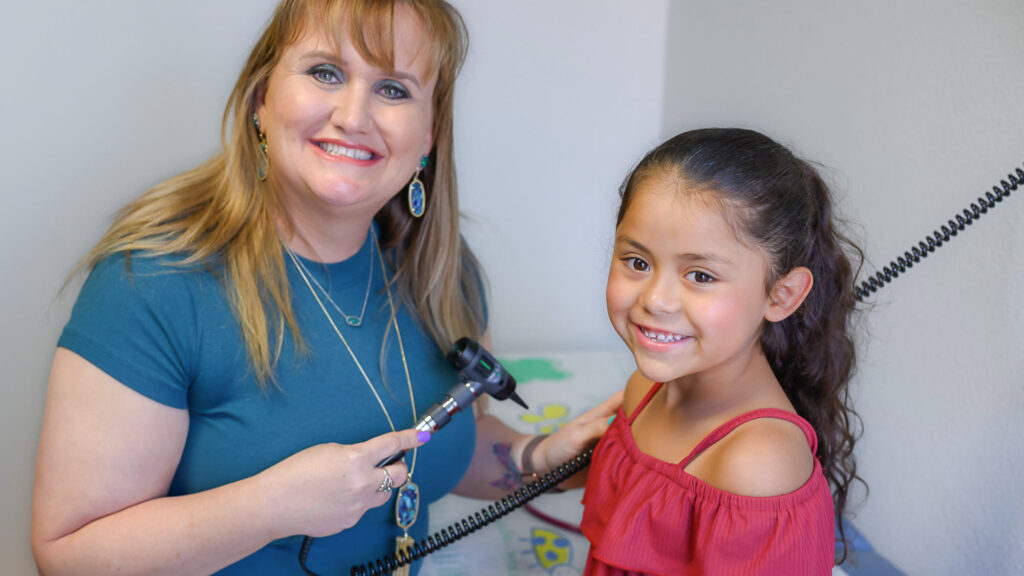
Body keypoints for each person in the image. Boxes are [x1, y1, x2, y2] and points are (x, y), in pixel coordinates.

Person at [31, 1, 619, 574]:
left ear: (429, 135)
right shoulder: (154, 279)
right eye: (325, 73)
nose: (354, 116)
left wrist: (537, 457)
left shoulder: (443, 272)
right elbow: (68, 557)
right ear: (262, 100)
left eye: (394, 89)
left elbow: (437, 444)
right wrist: (268, 508)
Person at [580, 128, 864, 575]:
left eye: (701, 276)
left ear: (782, 295)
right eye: (637, 262)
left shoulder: (759, 463)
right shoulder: (644, 391)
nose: (655, 299)